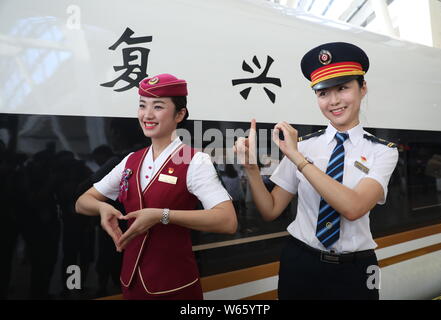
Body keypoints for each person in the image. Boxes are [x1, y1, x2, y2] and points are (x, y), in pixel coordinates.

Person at [235, 42, 398, 300]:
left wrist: (298, 159)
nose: (333, 101)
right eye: (323, 93)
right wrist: (251, 169)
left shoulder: (383, 151)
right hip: (300, 261)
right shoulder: (303, 146)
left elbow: (353, 208)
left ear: (362, 88)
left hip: (356, 268)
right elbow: (270, 210)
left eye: (343, 88)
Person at [75, 73, 237, 300]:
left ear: (180, 114)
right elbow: (82, 202)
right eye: (142, 106)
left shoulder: (194, 160)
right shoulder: (131, 160)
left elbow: (227, 221)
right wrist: (102, 209)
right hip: (130, 283)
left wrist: (163, 215)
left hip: (173, 285)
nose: (147, 115)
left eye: (158, 107)